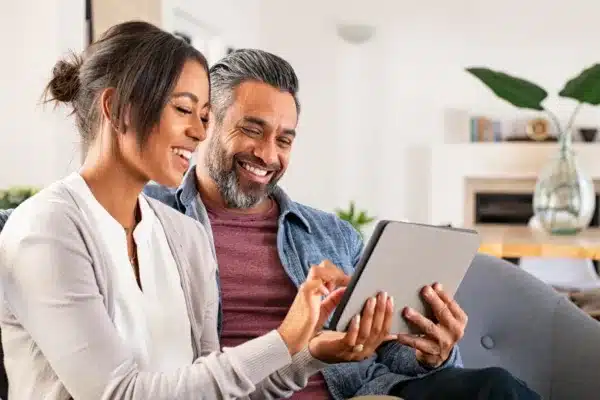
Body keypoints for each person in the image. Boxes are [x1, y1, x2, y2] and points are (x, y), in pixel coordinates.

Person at [0, 21, 389, 400]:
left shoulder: (183, 234)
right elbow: (117, 393)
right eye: (184, 110)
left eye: (204, 116)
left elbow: (214, 389)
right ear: (118, 108)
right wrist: (284, 337)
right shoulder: (47, 228)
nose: (200, 133)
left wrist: (308, 354)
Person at [140, 49, 541, 400]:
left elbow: (389, 352)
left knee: (497, 388)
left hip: (364, 392)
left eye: (284, 140)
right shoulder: (152, 218)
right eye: (252, 129)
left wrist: (430, 352)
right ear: (206, 122)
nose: (267, 154)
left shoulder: (331, 234)